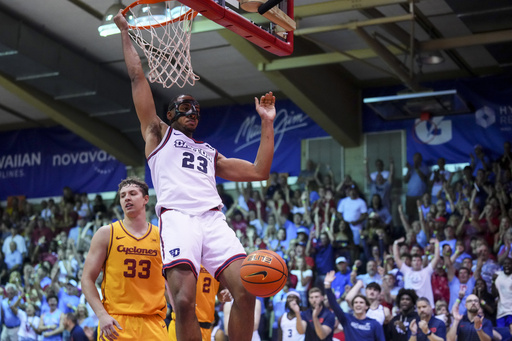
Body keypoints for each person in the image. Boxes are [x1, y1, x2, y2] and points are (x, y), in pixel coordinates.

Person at [114, 9, 276, 341]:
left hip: (212, 219)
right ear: (171, 114)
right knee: (185, 302)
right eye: (185, 108)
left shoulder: (208, 151)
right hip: (178, 218)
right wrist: (124, 32)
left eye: (197, 111)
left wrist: (267, 122)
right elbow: (137, 78)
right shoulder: (157, 134)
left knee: (246, 293)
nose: (193, 113)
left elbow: (260, 171)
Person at [81, 178, 167, 341]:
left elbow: (170, 280)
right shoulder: (106, 233)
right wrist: (101, 315)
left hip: (153, 322)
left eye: (133, 194)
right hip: (115, 322)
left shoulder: (162, 236)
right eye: (122, 195)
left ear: (145, 199)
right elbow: (86, 279)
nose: (126, 198)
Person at [323, 271, 385, 341]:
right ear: (352, 306)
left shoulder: (374, 324)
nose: (358, 304)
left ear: (366, 306)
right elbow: (334, 305)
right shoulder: (347, 319)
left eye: (361, 302)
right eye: (356, 302)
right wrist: (327, 285)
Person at [393, 237, 440, 307]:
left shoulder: (427, 271)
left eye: (418, 260)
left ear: (421, 262)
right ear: (411, 263)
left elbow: (436, 257)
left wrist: (436, 243)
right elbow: (396, 258)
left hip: (426, 305)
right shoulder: (406, 271)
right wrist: (395, 243)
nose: (416, 262)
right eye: (414, 260)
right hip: (411, 307)